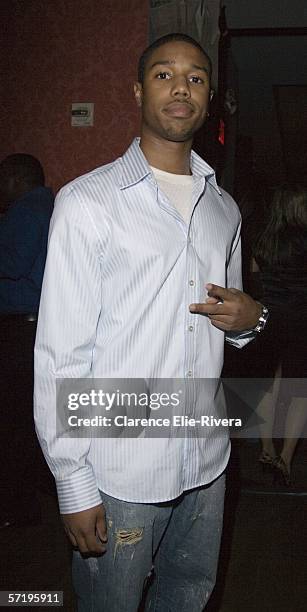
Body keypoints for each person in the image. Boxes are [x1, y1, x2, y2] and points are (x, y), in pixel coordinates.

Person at [34, 34, 267, 611]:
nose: (180, 87)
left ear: (210, 97)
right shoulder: (88, 202)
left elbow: (226, 318)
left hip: (208, 459)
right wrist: (72, 479)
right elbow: (61, 353)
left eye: (195, 77)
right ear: (139, 90)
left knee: (190, 593)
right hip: (122, 467)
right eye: (164, 75)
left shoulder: (224, 208)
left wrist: (250, 319)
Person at [0, 153, 54, 528]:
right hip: (40, 326)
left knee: (14, 422)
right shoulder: (52, 203)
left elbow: (13, 263)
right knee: (32, 417)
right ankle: (38, 494)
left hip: (22, 326)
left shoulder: (27, 208)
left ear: (17, 179)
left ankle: (17, 508)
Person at [252, 184, 307, 486]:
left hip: (268, 319)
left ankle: (266, 447)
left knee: (268, 386)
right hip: (301, 321)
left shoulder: (266, 239)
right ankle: (286, 456)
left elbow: (253, 272)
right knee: (300, 390)